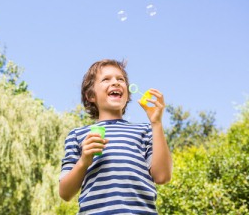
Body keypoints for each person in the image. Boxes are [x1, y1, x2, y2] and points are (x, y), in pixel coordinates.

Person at [59, 59, 172, 214]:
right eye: (106, 79)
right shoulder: (78, 136)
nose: (116, 83)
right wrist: (84, 161)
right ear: (90, 95)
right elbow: (65, 193)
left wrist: (156, 123)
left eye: (121, 79)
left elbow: (162, 177)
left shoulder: (145, 130)